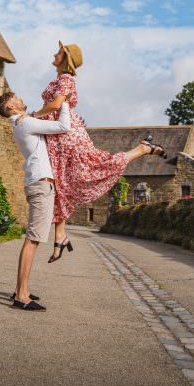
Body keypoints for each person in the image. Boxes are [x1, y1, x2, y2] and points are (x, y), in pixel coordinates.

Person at [29, 41, 167, 262]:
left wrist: (32, 116)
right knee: (62, 185)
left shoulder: (65, 79)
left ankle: (141, 149)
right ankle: (61, 236)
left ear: (65, 58)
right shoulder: (58, 79)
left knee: (93, 169)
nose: (54, 54)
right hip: (57, 138)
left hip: (67, 137)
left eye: (59, 52)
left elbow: (55, 106)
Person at [0, 90, 71, 311]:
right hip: (40, 184)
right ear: (10, 107)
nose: (20, 99)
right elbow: (64, 126)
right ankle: (21, 295)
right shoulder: (24, 123)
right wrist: (63, 101)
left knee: (33, 238)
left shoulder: (22, 123)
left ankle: (22, 289)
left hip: (38, 183)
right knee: (33, 239)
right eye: (16, 98)